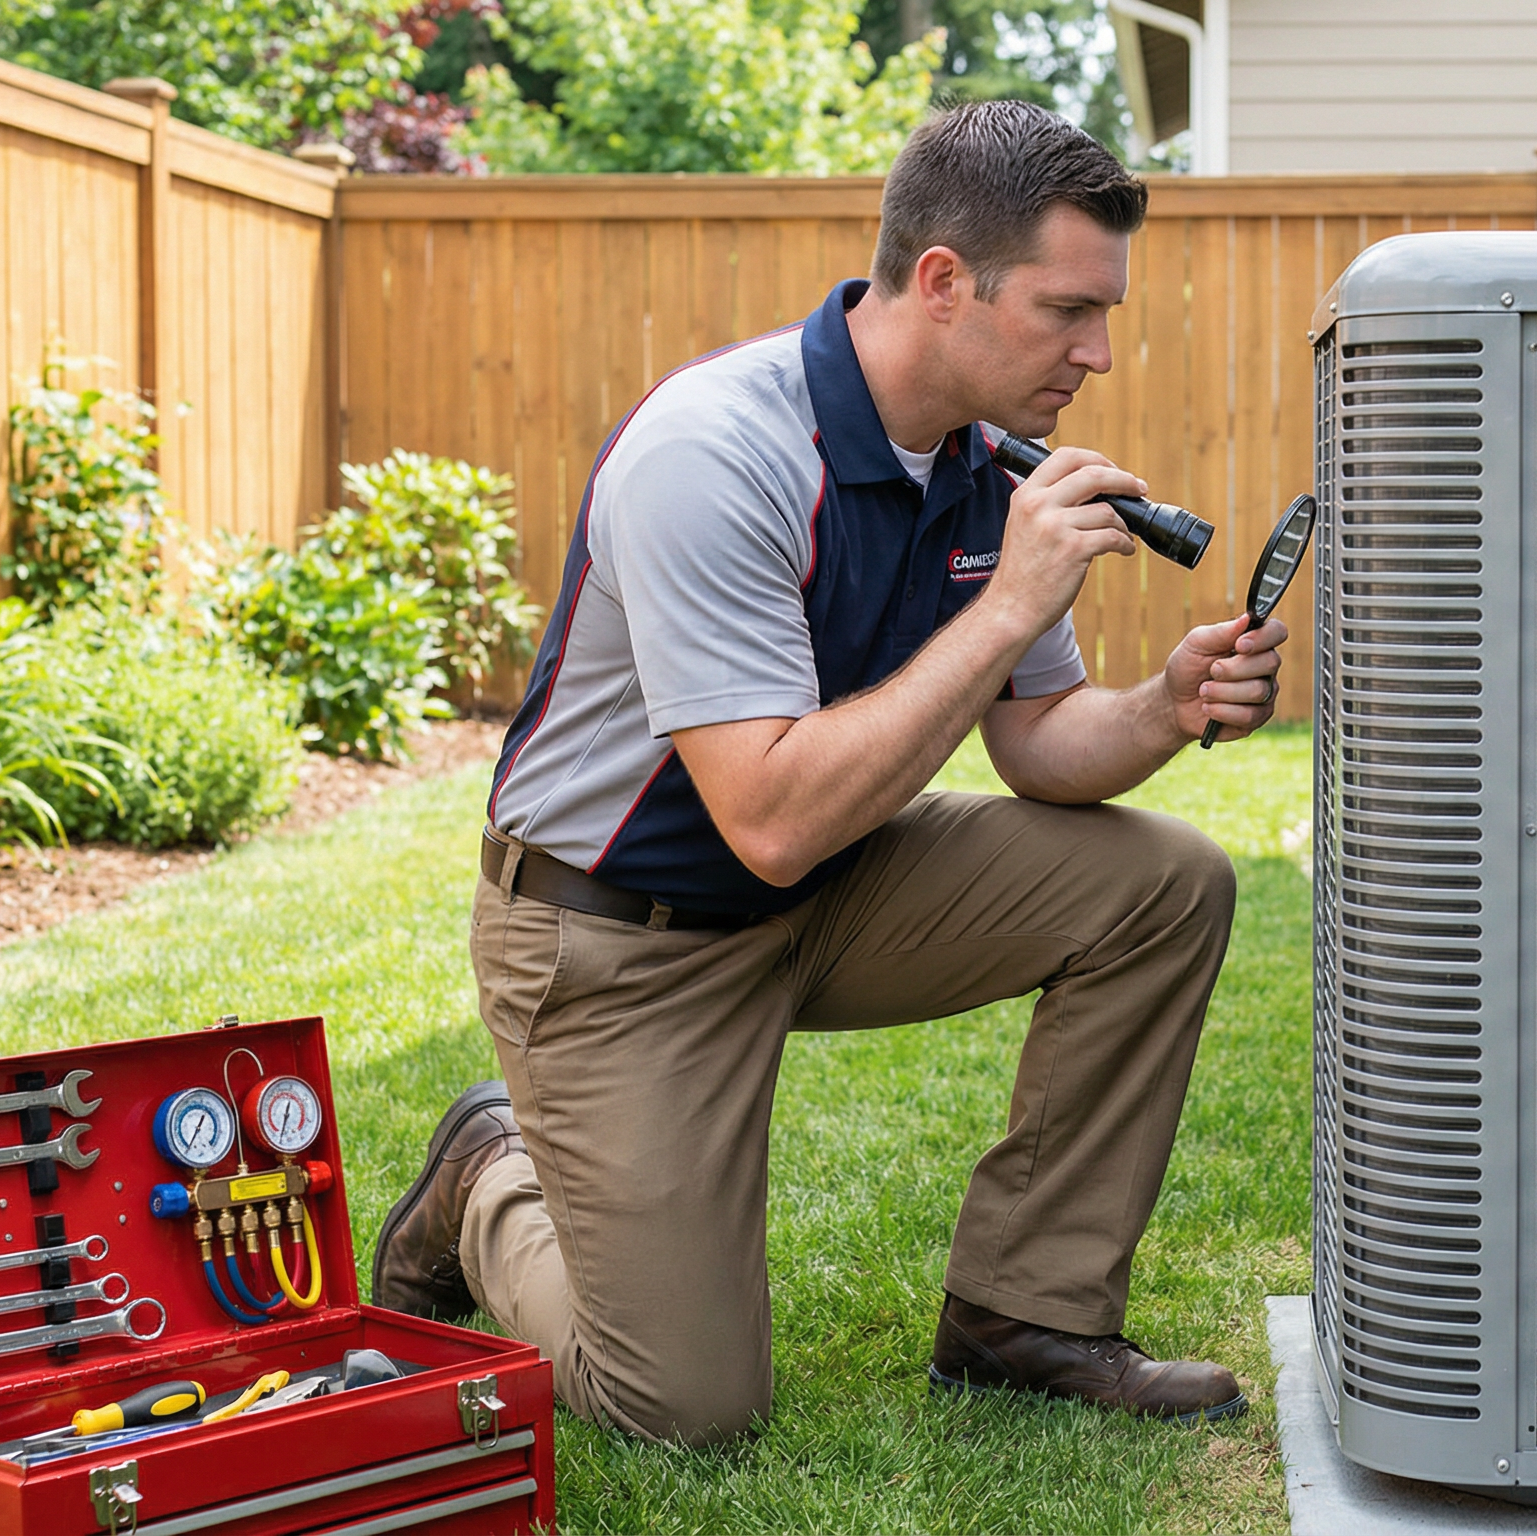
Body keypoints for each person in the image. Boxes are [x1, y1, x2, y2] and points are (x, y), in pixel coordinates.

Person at [368, 99, 1289, 1448]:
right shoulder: (716, 453)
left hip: (822, 891)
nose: (1099, 353)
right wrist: (1006, 603)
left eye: (1106, 313)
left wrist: (1160, 706)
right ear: (941, 281)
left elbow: (1037, 744)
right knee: (681, 1408)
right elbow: (769, 818)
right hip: (617, 939)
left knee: (1165, 885)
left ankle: (1026, 1316)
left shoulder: (988, 470)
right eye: (1067, 311)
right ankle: (489, 1173)